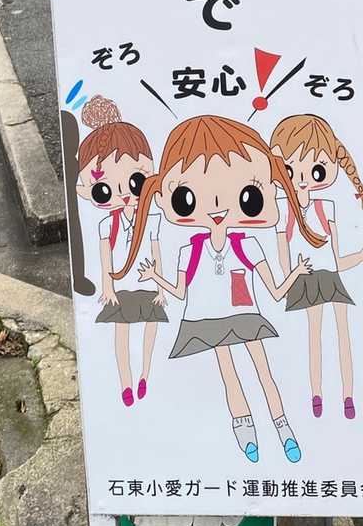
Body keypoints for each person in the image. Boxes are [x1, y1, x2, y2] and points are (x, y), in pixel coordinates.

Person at [116, 114, 321, 464]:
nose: (216, 208)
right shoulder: (190, 250)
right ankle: (247, 433)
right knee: (230, 375)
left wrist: (297, 273)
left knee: (263, 371)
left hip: (243, 316)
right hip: (206, 318)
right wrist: (156, 277)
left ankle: (283, 429)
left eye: (248, 196)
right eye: (186, 198)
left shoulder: (247, 245)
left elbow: (274, 291)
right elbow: (180, 292)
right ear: (164, 197)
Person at [271, 114, 363, 422]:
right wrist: (290, 278)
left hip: (330, 277)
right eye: (290, 170)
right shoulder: (283, 210)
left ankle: (348, 396)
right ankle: (316, 394)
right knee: (315, 336)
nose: (302, 179)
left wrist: (358, 257)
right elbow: (283, 256)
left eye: (316, 170)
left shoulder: (325, 207)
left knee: (342, 334)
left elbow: (335, 257)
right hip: (305, 279)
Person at [75, 96, 164, 407]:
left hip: (147, 283)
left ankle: (145, 375)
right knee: (122, 333)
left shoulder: (151, 218)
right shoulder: (106, 224)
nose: (125, 194)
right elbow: (105, 257)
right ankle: (125, 382)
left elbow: (155, 250)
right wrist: (108, 286)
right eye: (104, 190)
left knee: (150, 329)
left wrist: (161, 285)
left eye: (136, 181)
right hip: (122, 285)